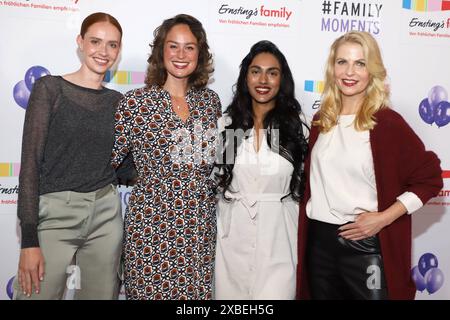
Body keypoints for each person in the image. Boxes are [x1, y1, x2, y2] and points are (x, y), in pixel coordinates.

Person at [296, 31, 443, 300]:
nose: (349, 72)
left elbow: (431, 178)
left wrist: (384, 218)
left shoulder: (386, 123)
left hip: (366, 247)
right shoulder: (322, 120)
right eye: (342, 62)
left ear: (372, 71)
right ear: (332, 68)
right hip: (319, 244)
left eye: (360, 63)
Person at [14, 12, 127, 299]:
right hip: (54, 216)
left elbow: (123, 168)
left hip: (105, 215)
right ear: (80, 42)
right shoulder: (50, 88)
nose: (103, 52)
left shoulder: (118, 103)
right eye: (96, 42)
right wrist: (29, 240)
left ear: (119, 50)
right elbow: (29, 164)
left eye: (112, 45)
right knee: (35, 294)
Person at [111, 14, 222, 300]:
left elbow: (220, 160)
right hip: (150, 225)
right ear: (161, 51)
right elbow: (108, 162)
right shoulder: (135, 102)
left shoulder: (210, 102)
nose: (181, 55)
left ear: (200, 53)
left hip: (198, 225)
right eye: (173, 46)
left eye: (190, 47)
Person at [213, 40, 309, 299]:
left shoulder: (296, 127)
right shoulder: (229, 126)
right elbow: (213, 180)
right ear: (246, 77)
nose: (263, 79)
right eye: (256, 71)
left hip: (279, 239)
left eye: (272, 72)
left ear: (282, 79)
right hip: (231, 242)